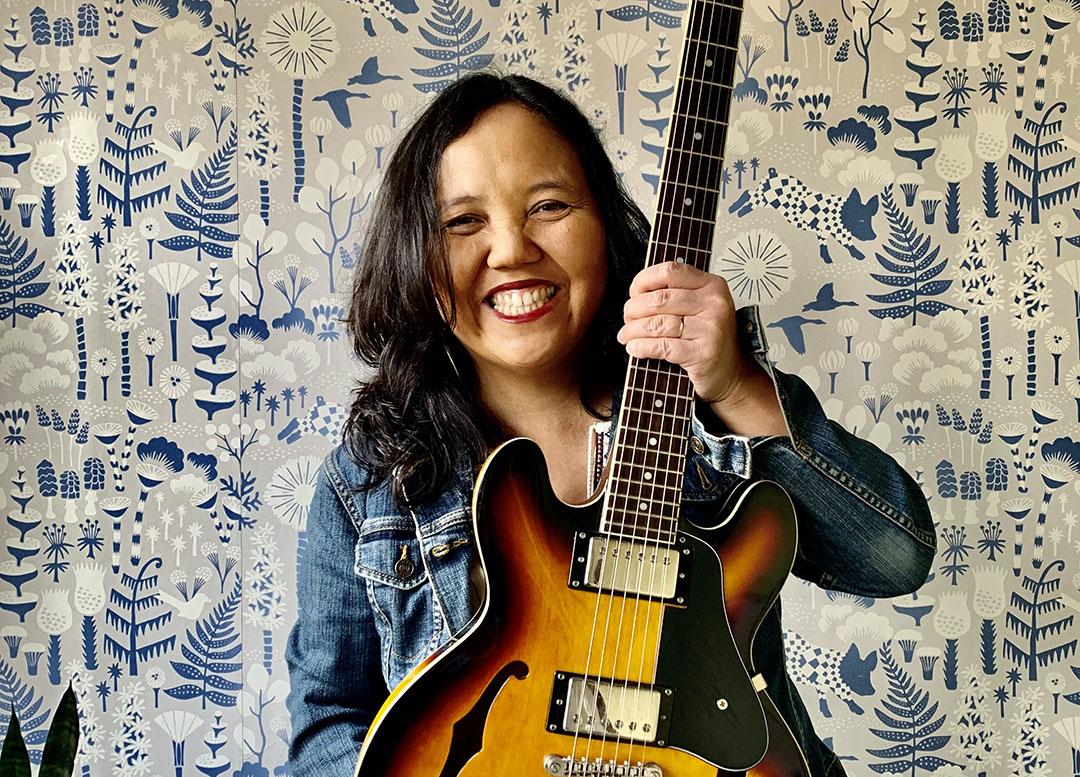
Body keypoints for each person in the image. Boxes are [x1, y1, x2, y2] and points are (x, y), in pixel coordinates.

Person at [285, 71, 936, 777]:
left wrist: (735, 385)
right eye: (463, 221)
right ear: (414, 258)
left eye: (549, 205)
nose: (510, 249)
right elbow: (327, 721)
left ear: (606, 224)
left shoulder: (700, 420)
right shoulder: (372, 478)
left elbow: (896, 558)